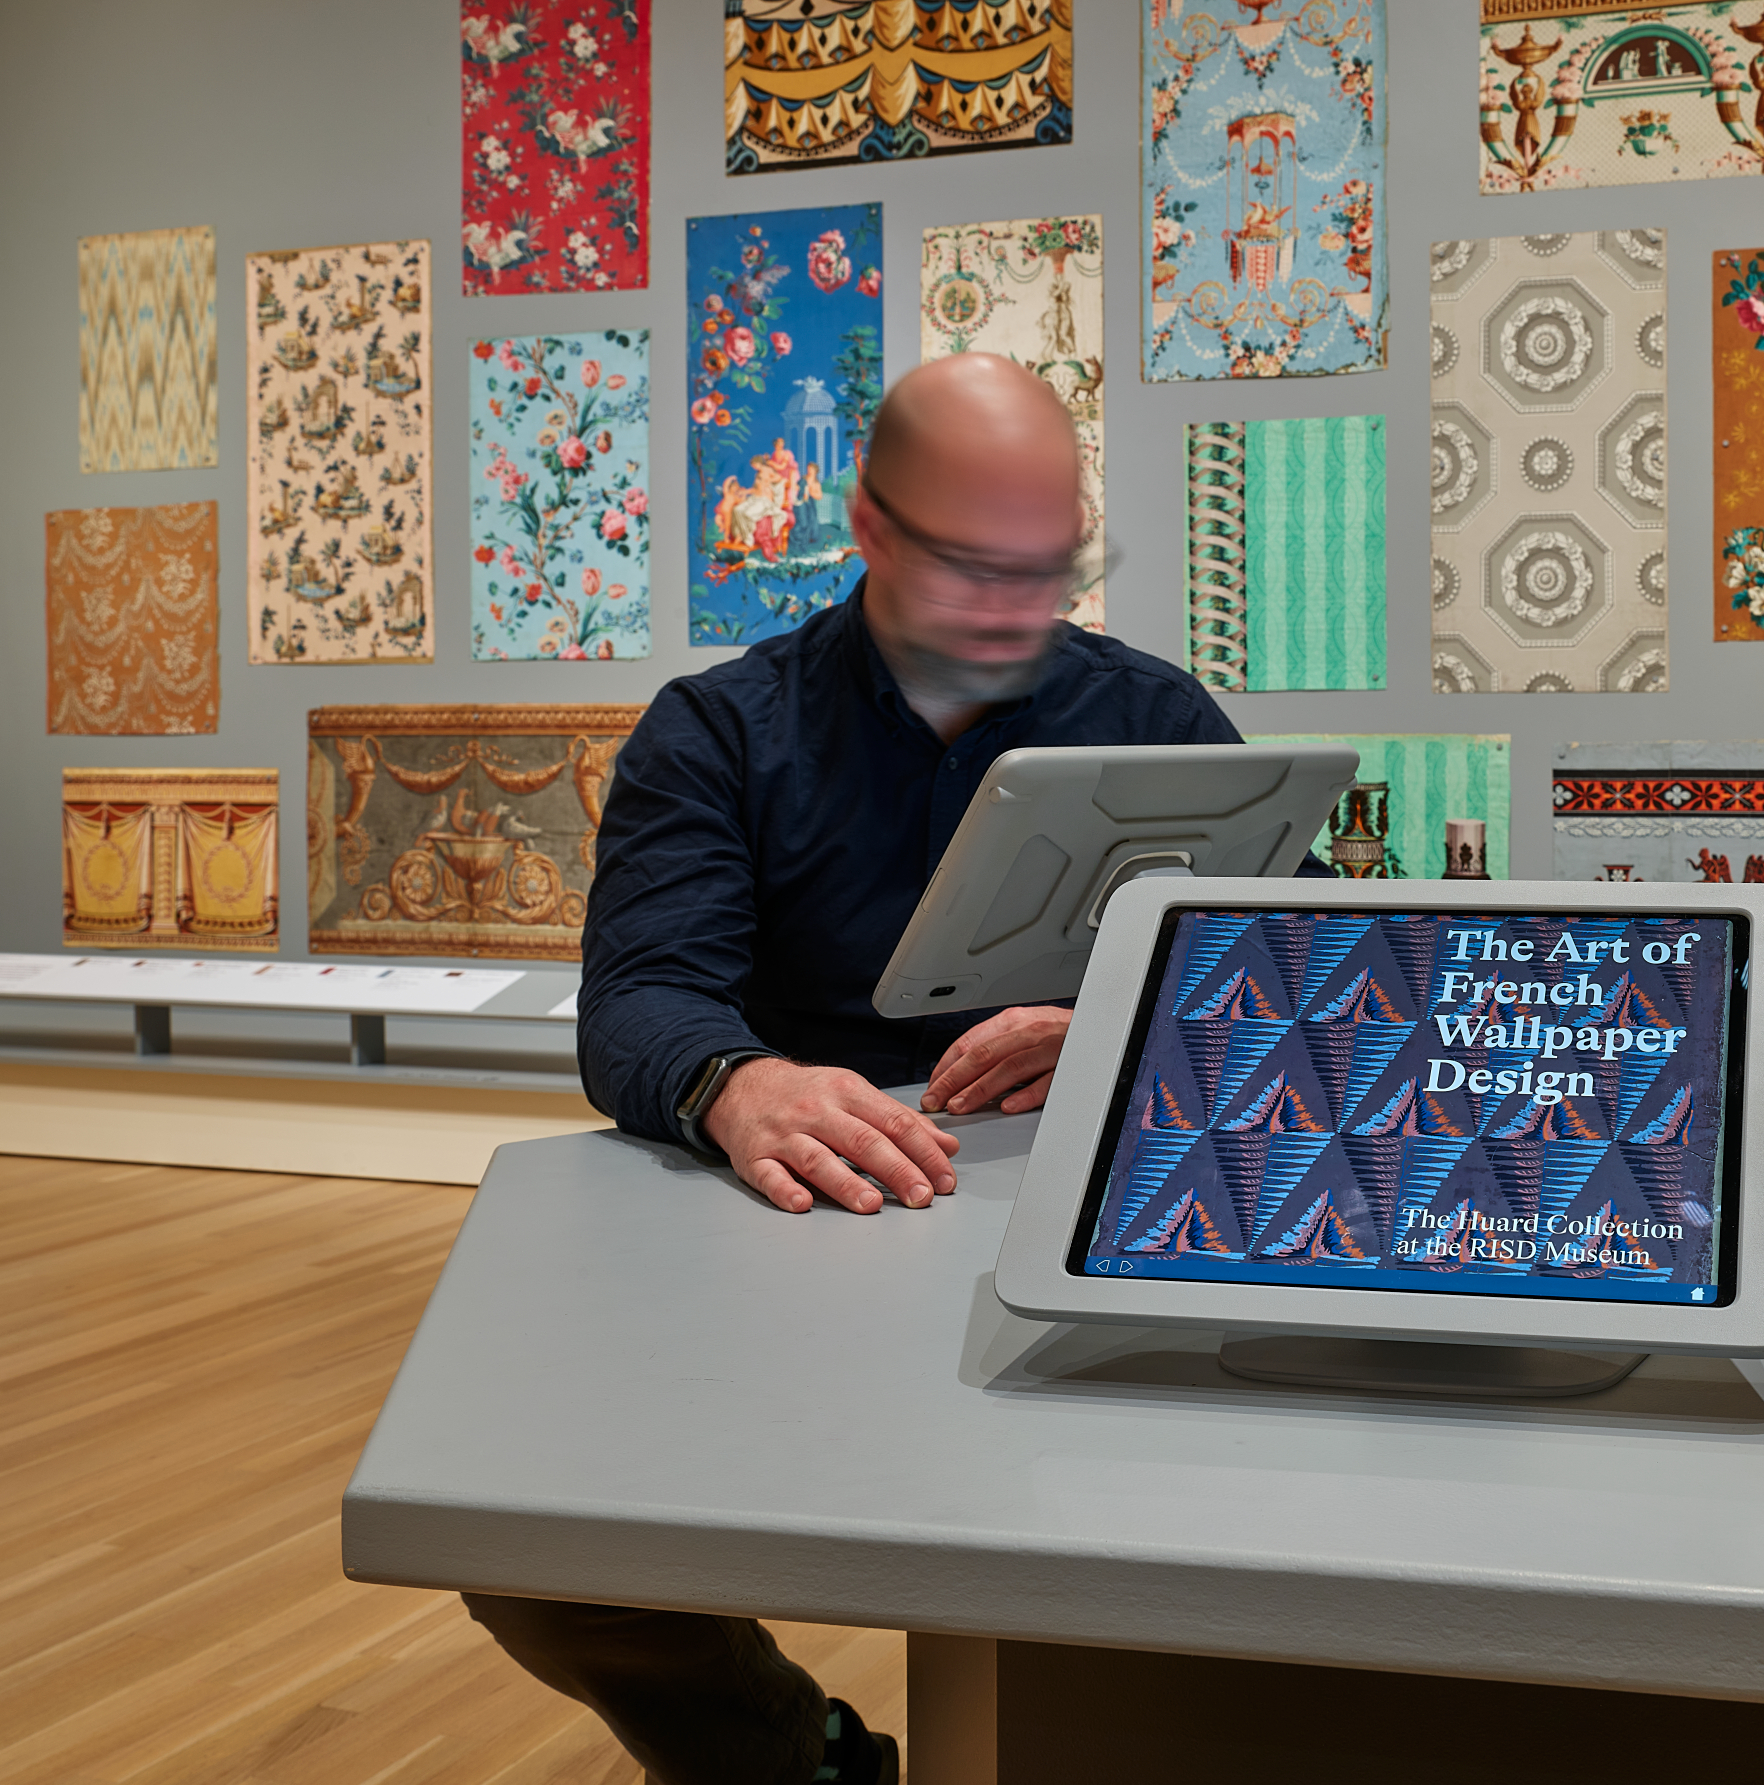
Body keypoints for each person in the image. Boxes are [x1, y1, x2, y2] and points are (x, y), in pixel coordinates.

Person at [467, 353, 1307, 1785]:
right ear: (864, 526)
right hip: (803, 1241)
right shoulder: (720, 733)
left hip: (1097, 1244)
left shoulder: (1161, 717)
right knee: (535, 1543)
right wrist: (737, 1083)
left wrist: (1120, 1022)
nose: (1019, 611)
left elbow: (1297, 985)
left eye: (1051, 567)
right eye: (974, 566)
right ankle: (800, 1759)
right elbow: (640, 1002)